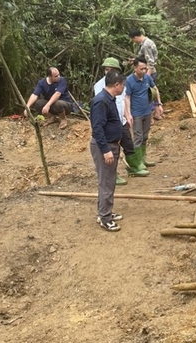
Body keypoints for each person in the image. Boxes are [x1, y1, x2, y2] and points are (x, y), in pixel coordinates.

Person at [94, 58, 148, 181]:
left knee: (128, 144)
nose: (109, 72)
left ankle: (134, 167)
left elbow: (124, 100)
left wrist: (127, 115)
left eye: (112, 70)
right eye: (106, 69)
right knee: (112, 149)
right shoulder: (99, 86)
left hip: (120, 121)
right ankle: (113, 175)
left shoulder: (121, 83)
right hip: (109, 123)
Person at [90, 71, 127, 232]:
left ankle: (105, 212)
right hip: (104, 146)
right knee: (105, 181)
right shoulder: (101, 101)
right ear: (117, 85)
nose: (124, 88)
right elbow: (97, 127)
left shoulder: (110, 99)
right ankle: (104, 217)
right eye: (123, 85)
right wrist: (105, 150)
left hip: (112, 145)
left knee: (109, 180)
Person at [125, 57, 162, 170]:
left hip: (147, 112)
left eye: (145, 68)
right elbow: (127, 97)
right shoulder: (129, 80)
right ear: (135, 67)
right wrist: (128, 114)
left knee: (145, 136)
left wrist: (159, 104)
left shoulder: (147, 78)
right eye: (141, 69)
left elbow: (155, 89)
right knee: (138, 137)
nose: (144, 71)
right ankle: (137, 162)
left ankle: (143, 159)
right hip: (136, 113)